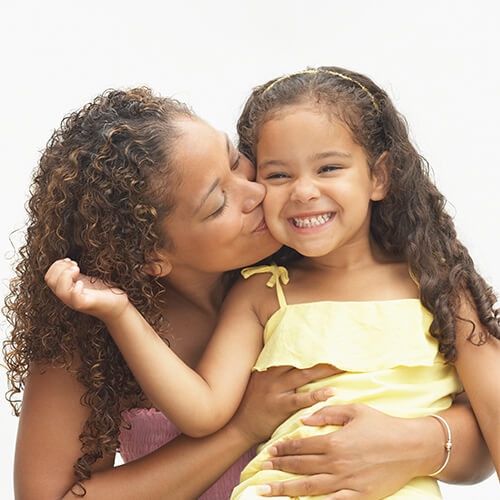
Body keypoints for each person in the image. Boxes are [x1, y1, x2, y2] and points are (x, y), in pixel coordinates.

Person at [7, 88, 492, 500]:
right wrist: (240, 428)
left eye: (238, 161)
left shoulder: (324, 267)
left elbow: (480, 446)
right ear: (150, 254)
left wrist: (416, 443)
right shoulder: (94, 330)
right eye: (219, 203)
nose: (257, 192)